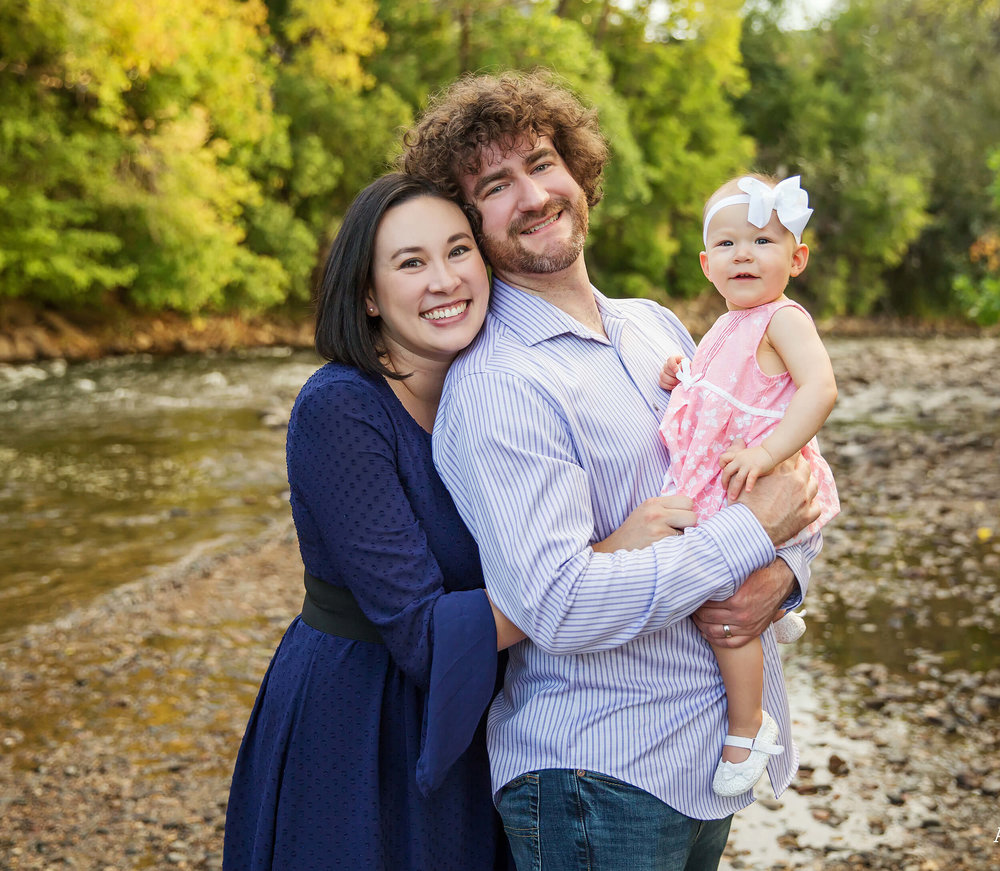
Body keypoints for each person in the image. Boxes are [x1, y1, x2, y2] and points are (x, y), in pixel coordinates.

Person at [402, 70, 823, 871]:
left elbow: (781, 470)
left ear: (579, 170)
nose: (532, 195)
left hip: (703, 759)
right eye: (496, 184)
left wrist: (787, 578)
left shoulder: (654, 326)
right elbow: (555, 605)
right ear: (466, 222)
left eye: (541, 162)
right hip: (598, 776)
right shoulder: (501, 384)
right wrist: (745, 539)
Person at [222, 172, 521, 871]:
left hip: (484, 705)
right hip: (360, 716)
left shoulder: (498, 389)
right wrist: (593, 575)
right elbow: (419, 631)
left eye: (458, 250)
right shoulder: (340, 410)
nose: (444, 280)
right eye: (411, 262)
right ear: (367, 293)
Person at [657, 173, 840, 797]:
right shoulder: (727, 325)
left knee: (725, 608)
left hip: (754, 479)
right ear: (708, 264)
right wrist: (681, 375)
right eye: (729, 244)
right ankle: (781, 617)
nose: (744, 255)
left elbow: (820, 389)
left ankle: (748, 726)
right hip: (725, 483)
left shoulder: (783, 320)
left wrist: (767, 450)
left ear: (796, 258)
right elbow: (716, 391)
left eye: (762, 240)